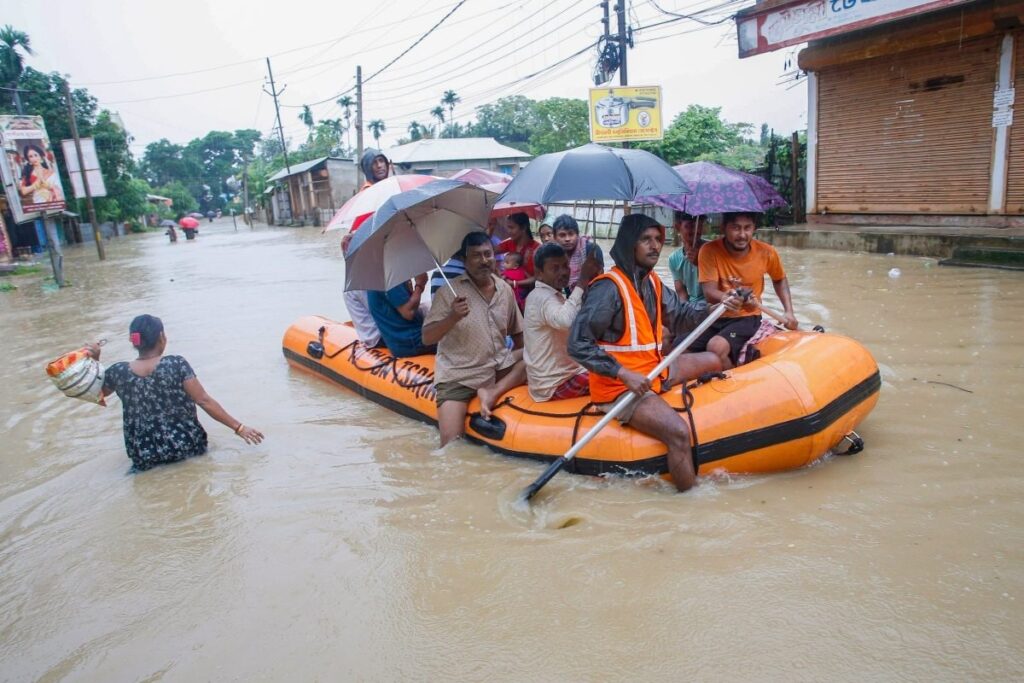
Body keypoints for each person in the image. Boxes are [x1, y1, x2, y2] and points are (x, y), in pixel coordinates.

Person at [569, 214, 738, 492]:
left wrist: (716, 308)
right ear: (629, 244)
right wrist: (623, 374)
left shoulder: (652, 283)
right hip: (620, 388)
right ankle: (690, 500)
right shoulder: (607, 289)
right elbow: (577, 343)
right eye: (646, 240)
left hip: (654, 370)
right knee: (679, 434)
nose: (655, 246)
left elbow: (682, 316)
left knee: (713, 360)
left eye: (658, 239)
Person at [86, 314, 263, 472]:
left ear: (134, 342)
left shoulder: (119, 371)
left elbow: (96, 394)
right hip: (187, 448)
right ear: (162, 337)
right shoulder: (176, 364)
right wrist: (239, 428)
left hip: (144, 457)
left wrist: (95, 360)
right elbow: (203, 401)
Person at [422, 232, 526, 445]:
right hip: (459, 375)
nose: (484, 260)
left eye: (488, 254)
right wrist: (452, 317)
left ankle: (491, 393)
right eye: (476, 256)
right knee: (451, 445)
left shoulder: (504, 289)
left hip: (496, 366)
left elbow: (519, 334)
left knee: (531, 359)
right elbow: (427, 338)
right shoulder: (448, 293)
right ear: (464, 260)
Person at [695, 211, 797, 370]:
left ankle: (735, 379)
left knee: (716, 347)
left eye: (747, 228)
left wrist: (789, 311)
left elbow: (779, 279)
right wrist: (726, 298)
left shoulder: (767, 252)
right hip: (717, 314)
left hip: (748, 317)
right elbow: (709, 292)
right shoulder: (709, 250)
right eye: (736, 228)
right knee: (678, 345)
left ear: (754, 228)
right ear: (724, 228)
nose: (742, 234)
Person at [523, 243, 600, 402]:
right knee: (614, 378)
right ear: (539, 273)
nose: (564, 272)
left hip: (563, 375)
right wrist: (582, 280)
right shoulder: (541, 297)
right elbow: (566, 321)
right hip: (554, 384)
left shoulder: (552, 294)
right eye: (555, 268)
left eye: (565, 266)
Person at [366, 273, 436, 357]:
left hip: (397, 342)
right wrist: (420, 285)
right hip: (411, 341)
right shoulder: (390, 276)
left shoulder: (375, 277)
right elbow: (409, 313)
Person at [341, 232, 382, 347]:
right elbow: (380, 310)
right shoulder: (360, 280)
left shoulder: (354, 277)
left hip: (372, 334)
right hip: (378, 336)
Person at [552, 214, 605, 291]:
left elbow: (600, 277)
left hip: (592, 292)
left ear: (577, 234)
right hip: (570, 293)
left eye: (571, 234)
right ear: (555, 237)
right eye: (562, 235)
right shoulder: (555, 254)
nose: (567, 239)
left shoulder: (591, 249)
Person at [667, 211, 706, 304]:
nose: (696, 231)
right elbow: (681, 293)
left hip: (712, 304)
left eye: (699, 226)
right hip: (692, 307)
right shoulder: (674, 259)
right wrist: (684, 311)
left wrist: (701, 263)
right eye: (690, 226)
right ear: (677, 227)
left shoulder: (713, 250)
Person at [495, 212, 539, 290]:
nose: (508, 231)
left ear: (523, 228)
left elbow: (538, 278)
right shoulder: (510, 243)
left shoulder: (537, 248)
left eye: (511, 228)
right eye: (507, 227)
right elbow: (489, 252)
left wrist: (514, 283)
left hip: (530, 292)